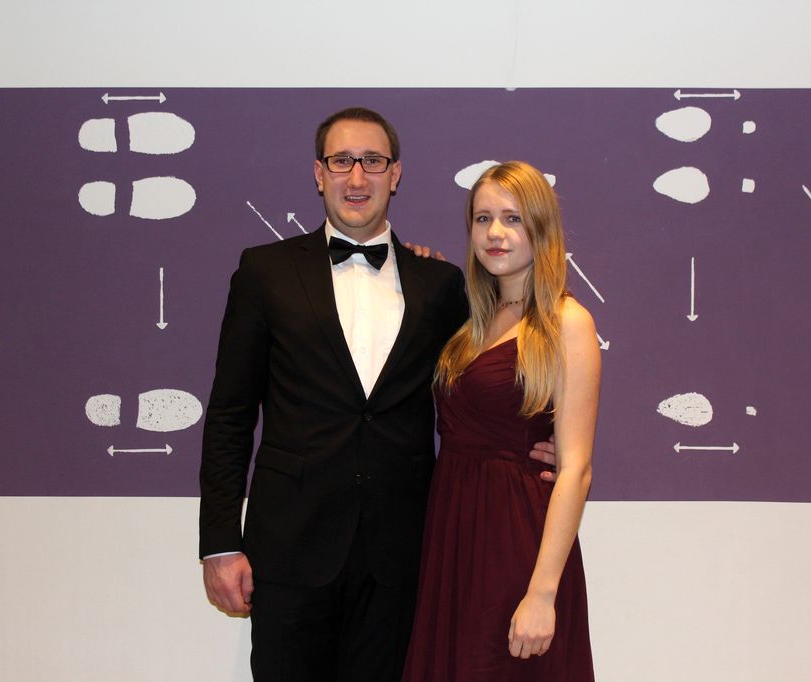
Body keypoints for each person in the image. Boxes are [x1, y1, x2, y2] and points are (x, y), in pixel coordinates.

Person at [199, 108, 557, 682]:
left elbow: (488, 379)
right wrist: (219, 542)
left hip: (403, 556)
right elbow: (229, 415)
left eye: (372, 161)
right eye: (342, 161)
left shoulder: (440, 285)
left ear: (396, 174)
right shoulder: (264, 272)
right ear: (319, 173)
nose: (357, 176)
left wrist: (538, 439)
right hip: (289, 549)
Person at [402, 161, 601, 681]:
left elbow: (576, 469)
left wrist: (542, 593)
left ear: (541, 226)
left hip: (517, 543)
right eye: (482, 218)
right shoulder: (473, 322)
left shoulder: (568, 323)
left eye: (512, 218)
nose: (495, 232)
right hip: (454, 536)